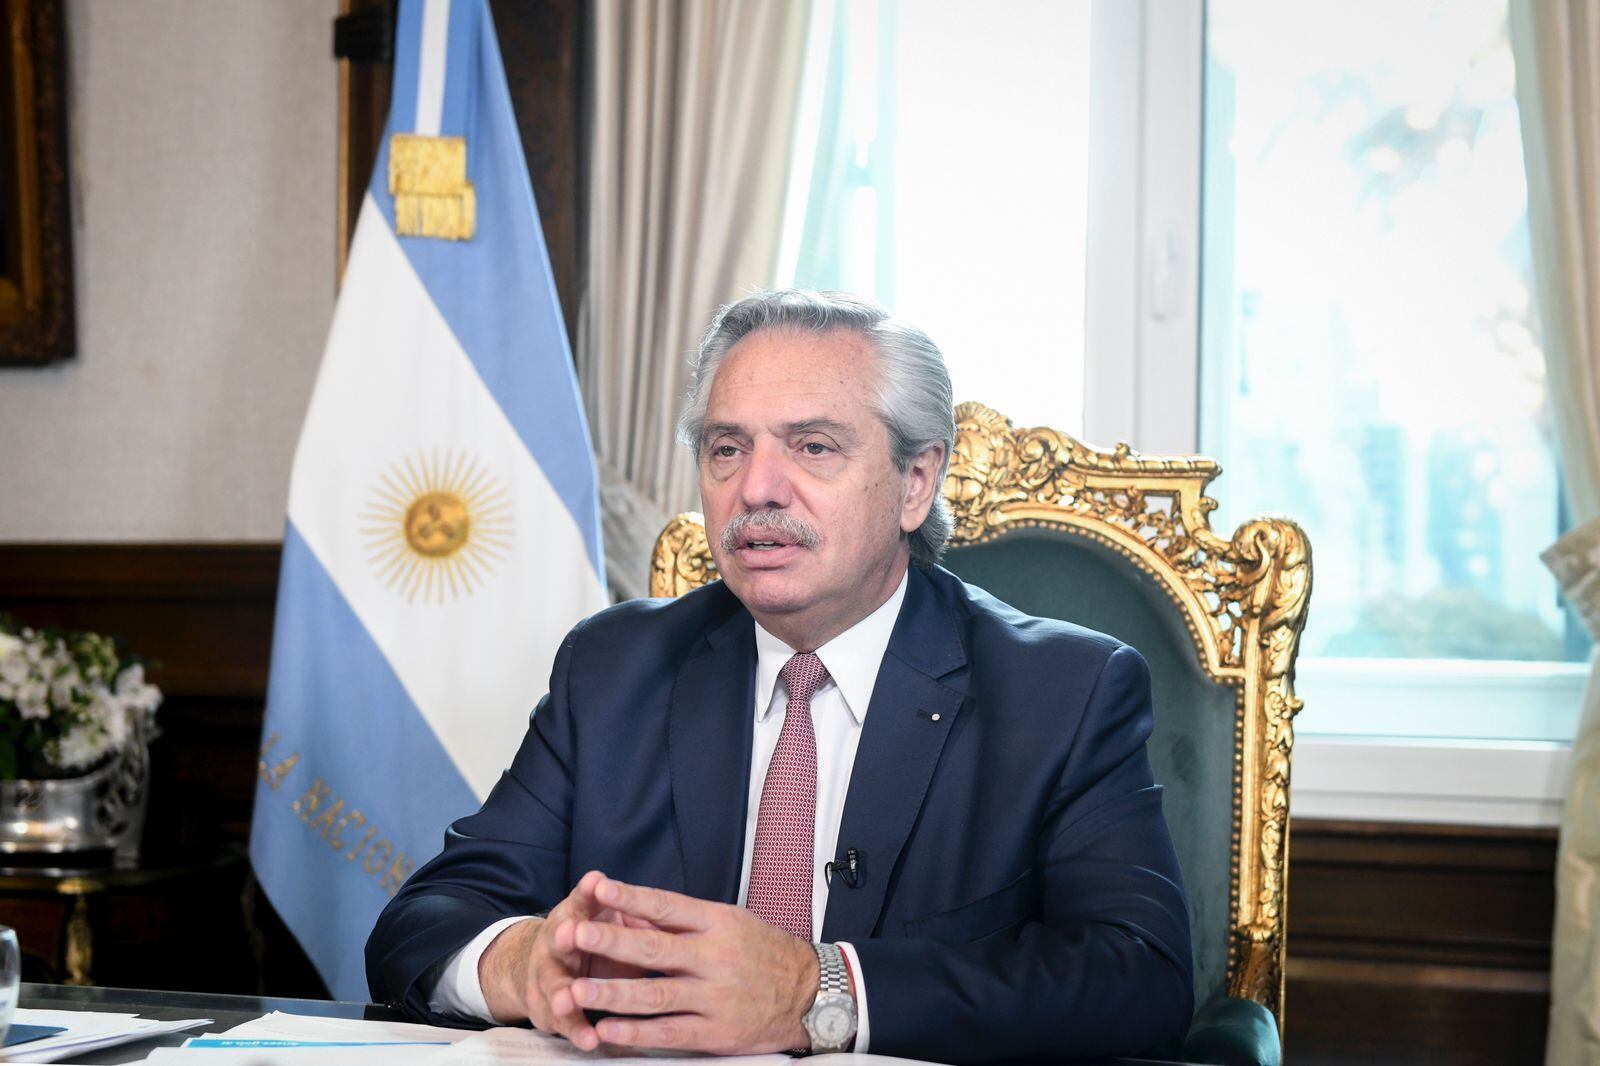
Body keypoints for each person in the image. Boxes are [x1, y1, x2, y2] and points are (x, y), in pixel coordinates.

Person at [365, 290, 1194, 1062]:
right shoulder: (615, 669)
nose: (755, 489)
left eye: (813, 447)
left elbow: (1140, 977)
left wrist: (814, 991)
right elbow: (421, 926)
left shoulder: (1064, 692)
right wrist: (523, 965)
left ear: (915, 482)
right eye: (727, 449)